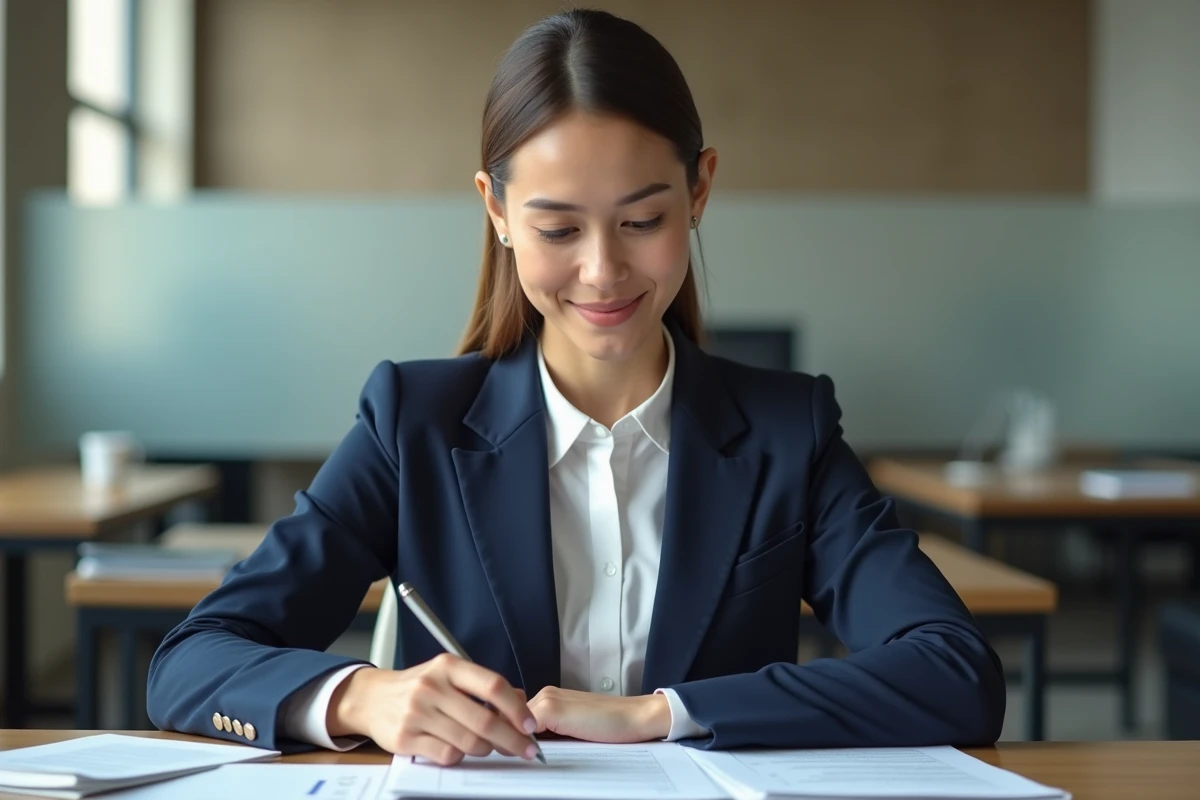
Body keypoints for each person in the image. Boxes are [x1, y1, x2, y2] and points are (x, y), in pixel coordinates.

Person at [147, 8, 1005, 765]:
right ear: (497, 210)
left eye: (642, 220)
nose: (603, 271)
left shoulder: (788, 431)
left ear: (700, 189)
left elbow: (955, 672)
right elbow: (192, 660)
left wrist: (663, 714)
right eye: (558, 228)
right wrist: (363, 697)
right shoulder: (414, 424)